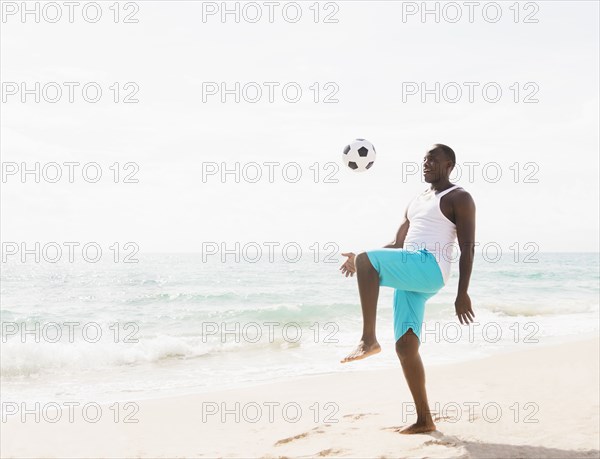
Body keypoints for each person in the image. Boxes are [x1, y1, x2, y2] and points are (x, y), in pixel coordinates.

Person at [339, 144, 476, 434]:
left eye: (433, 159)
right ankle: (425, 420)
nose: (426, 163)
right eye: (424, 159)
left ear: (449, 164)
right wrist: (361, 262)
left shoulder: (459, 197)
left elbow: (467, 248)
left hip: (429, 268)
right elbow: (397, 244)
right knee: (405, 346)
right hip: (411, 270)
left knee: (368, 259)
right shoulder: (416, 200)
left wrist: (462, 292)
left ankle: (368, 339)